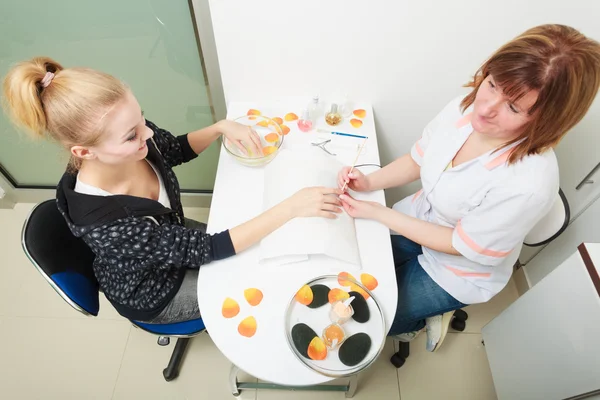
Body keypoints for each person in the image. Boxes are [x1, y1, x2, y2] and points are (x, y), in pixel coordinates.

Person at [3, 57, 343, 323]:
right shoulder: (108, 225)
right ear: (84, 152)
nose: (147, 134)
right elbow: (210, 248)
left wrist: (221, 128)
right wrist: (291, 207)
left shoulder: (135, 139)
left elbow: (173, 148)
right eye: (131, 135)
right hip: (155, 291)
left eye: (141, 120)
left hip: (177, 244)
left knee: (260, 248)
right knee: (260, 281)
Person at [337, 24, 600, 351]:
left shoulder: (528, 183)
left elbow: (460, 244)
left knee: (383, 315)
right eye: (491, 84)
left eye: (513, 108)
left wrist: (381, 214)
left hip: (457, 268)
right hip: (419, 220)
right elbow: (419, 159)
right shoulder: (465, 108)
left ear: (548, 120)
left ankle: (417, 323)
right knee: (359, 274)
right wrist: (369, 181)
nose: (486, 108)